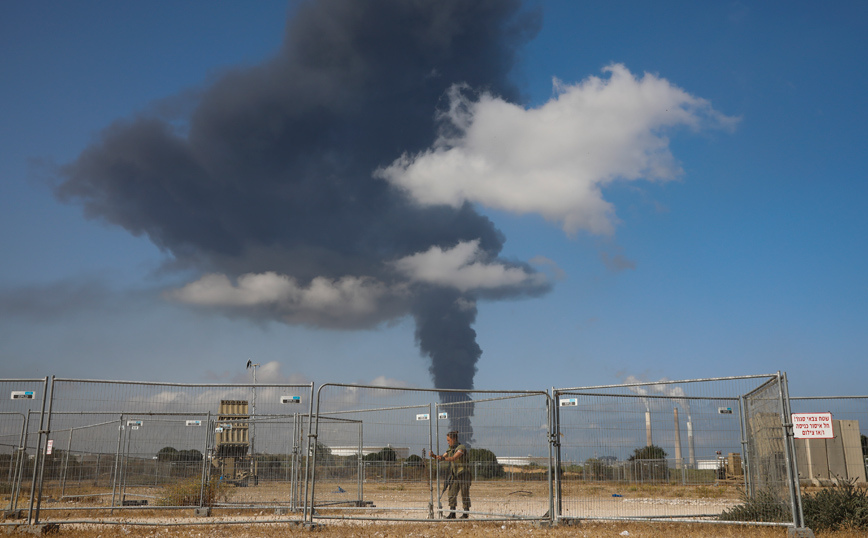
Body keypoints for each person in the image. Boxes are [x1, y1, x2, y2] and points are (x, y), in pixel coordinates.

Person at [432, 430, 471, 519]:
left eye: (449, 440)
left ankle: (465, 513)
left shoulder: (461, 448)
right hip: (455, 474)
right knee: (452, 493)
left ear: (454, 439)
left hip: (463, 474)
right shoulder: (450, 449)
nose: (448, 442)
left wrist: (443, 458)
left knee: (464, 493)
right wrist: (434, 456)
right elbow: (442, 457)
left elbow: (454, 458)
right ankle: (452, 512)